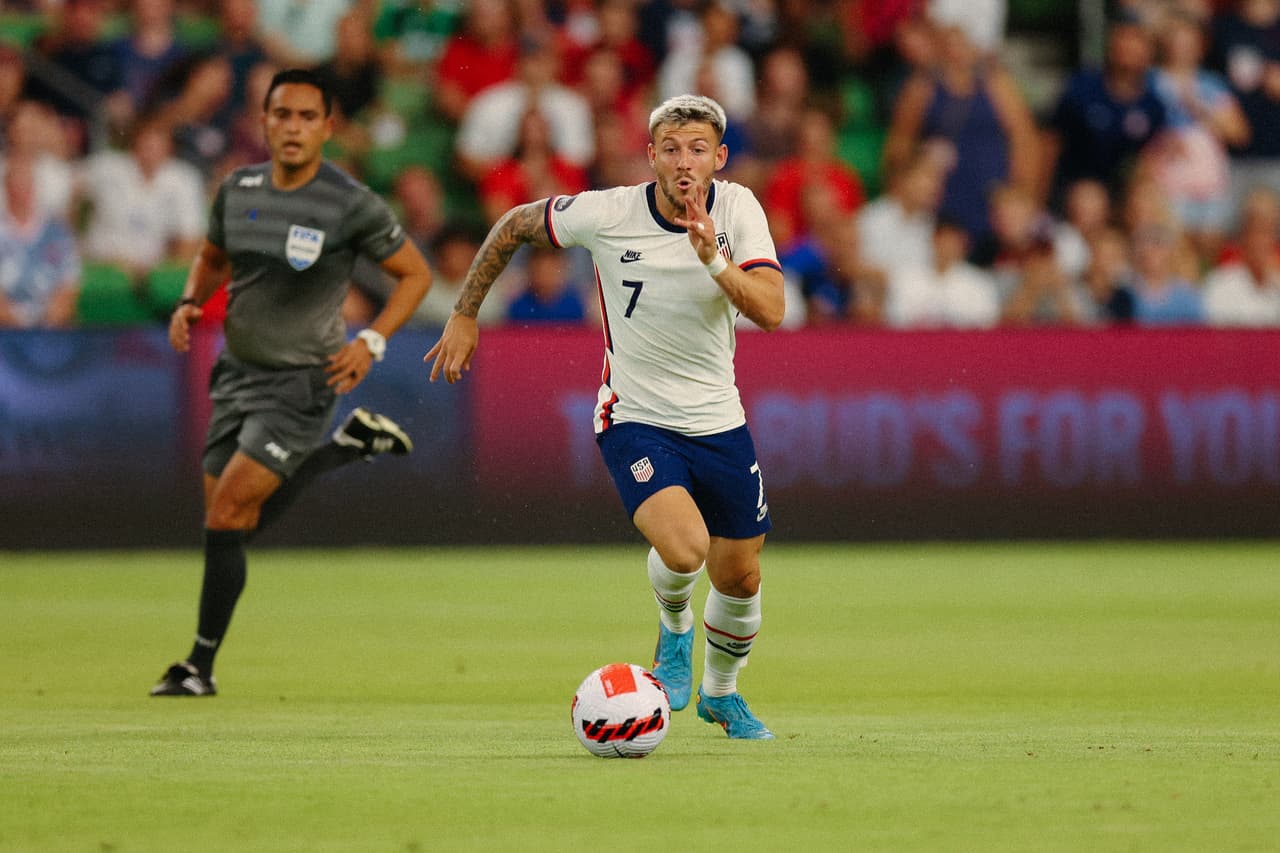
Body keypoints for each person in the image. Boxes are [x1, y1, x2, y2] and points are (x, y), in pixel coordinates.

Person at [426, 94, 783, 739]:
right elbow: (512, 225)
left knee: (743, 574)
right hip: (636, 416)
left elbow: (772, 310)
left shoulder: (738, 209)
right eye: (670, 149)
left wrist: (712, 259)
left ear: (719, 159)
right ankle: (673, 634)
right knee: (686, 548)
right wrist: (465, 311)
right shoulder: (609, 213)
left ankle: (721, 695)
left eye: (698, 150)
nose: (684, 163)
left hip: (719, 420)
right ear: (650, 156)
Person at [149, 69, 433, 697]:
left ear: (328, 128)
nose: (294, 127)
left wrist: (371, 340)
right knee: (230, 524)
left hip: (304, 380)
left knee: (227, 515)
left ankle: (198, 667)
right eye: (283, 114)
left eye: (308, 117)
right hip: (236, 374)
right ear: (265, 121)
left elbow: (414, 274)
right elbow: (214, 255)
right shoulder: (237, 187)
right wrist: (192, 300)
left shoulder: (348, 202)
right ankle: (347, 447)